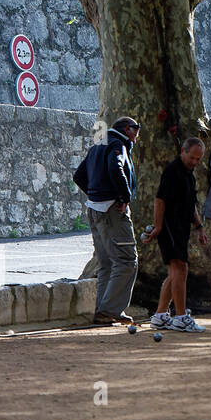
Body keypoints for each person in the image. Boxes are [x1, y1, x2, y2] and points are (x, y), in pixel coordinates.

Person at [72, 116, 140, 326]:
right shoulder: (117, 145)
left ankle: (104, 311)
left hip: (94, 209)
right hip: (111, 210)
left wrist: (95, 195)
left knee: (107, 263)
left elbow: (79, 175)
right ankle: (110, 309)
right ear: (128, 129)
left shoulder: (97, 145)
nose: (138, 135)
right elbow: (115, 167)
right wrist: (124, 197)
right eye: (137, 129)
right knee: (127, 261)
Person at [146, 138, 209, 333]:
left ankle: (160, 315)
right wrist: (157, 227)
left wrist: (199, 227)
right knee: (180, 268)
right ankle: (181, 317)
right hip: (169, 227)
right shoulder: (172, 171)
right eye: (192, 157)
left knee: (176, 271)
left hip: (182, 228)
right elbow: (159, 200)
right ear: (183, 151)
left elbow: (191, 205)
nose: (194, 162)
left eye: (198, 159)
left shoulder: (190, 175)